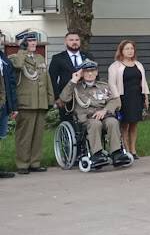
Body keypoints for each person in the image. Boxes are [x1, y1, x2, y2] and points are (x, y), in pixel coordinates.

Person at [61, 60, 131, 169]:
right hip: (87, 118)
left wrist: (105, 110)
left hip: (104, 115)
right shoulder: (75, 88)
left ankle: (116, 153)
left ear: (96, 72)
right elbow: (64, 98)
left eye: (92, 71)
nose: (90, 73)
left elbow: (115, 101)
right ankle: (97, 154)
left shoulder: (103, 86)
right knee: (95, 124)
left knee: (113, 122)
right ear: (82, 73)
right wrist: (74, 80)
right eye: (86, 71)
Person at [12, 31, 52, 174]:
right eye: (29, 41)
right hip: (26, 103)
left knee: (37, 135)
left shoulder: (39, 58)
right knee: (25, 135)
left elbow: (47, 79)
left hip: (40, 102)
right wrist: (22, 51)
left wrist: (50, 98)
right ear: (23, 43)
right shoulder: (16, 57)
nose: (33, 43)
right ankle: (22, 164)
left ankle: (35, 162)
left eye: (34, 40)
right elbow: (18, 66)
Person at [109, 41, 150, 158]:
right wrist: (117, 99)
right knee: (125, 124)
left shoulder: (138, 64)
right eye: (127, 49)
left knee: (134, 124)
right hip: (123, 98)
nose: (130, 51)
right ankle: (126, 150)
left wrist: (146, 96)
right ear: (121, 50)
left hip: (137, 97)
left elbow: (143, 81)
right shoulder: (115, 66)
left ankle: (133, 149)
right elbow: (112, 84)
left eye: (131, 48)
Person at [49, 30, 94, 102]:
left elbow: (95, 75)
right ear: (65, 42)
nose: (74, 42)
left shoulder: (88, 56)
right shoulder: (57, 58)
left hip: (86, 96)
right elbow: (52, 80)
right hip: (66, 96)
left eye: (77, 40)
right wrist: (57, 97)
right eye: (71, 40)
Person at [0, 49, 18, 178]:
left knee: (0, 137)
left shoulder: (5, 60)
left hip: (4, 105)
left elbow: (11, 85)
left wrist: (13, 106)